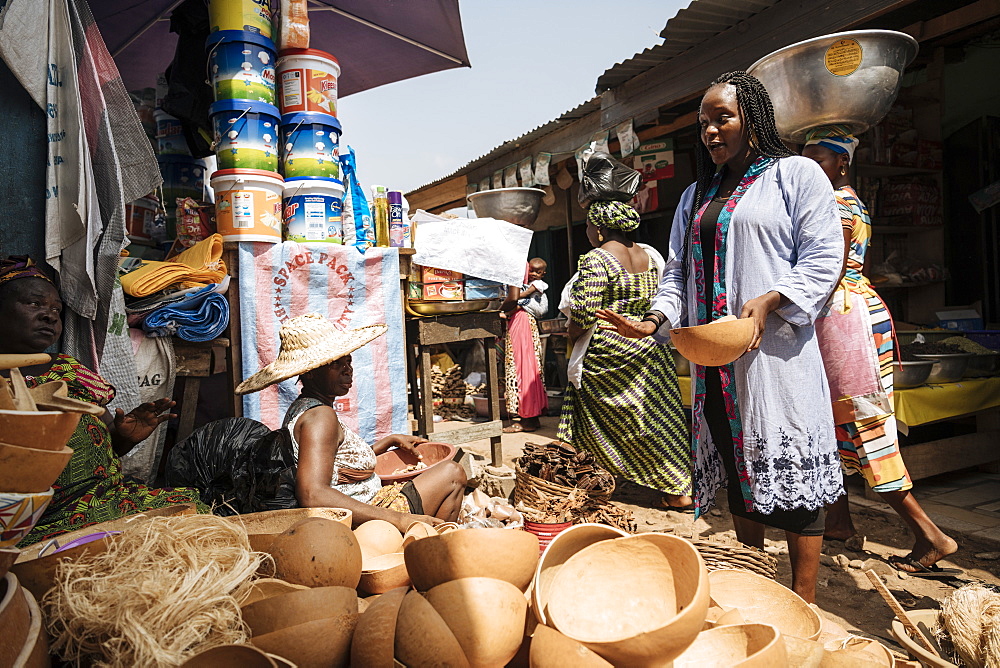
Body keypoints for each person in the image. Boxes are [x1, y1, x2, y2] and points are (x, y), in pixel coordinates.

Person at [598, 71, 845, 603]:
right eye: (704, 122)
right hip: (714, 362)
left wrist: (772, 300)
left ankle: (805, 604)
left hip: (776, 357)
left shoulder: (795, 175)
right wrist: (655, 320)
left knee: (797, 481)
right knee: (737, 471)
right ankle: (754, 589)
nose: (710, 131)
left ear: (753, 118)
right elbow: (678, 274)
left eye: (722, 118)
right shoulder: (694, 195)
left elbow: (825, 256)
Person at [803, 126, 958, 575]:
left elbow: (825, 274)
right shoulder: (853, 201)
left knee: (866, 428)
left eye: (819, 160)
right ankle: (838, 521)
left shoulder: (833, 205)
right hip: (854, 311)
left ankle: (930, 535)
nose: (810, 169)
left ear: (842, 164)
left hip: (843, 320)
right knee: (831, 422)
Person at [0, 257, 205, 547]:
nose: (49, 315)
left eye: (56, 310)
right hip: (43, 521)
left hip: (106, 499)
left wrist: (124, 438)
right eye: (34, 304)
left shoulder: (67, 370)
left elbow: (109, 443)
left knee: (192, 508)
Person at [235, 313, 466, 530]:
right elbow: (312, 493)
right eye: (336, 364)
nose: (348, 370)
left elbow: (331, 462)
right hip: (360, 519)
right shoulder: (320, 417)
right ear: (311, 372)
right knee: (452, 473)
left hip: (362, 506)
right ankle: (427, 549)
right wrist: (401, 519)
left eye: (348, 361)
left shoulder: (305, 407)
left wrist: (386, 443)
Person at [557, 200, 692, 511]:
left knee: (589, 419)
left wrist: (572, 334)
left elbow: (585, 313)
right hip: (647, 345)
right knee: (656, 419)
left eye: (589, 226)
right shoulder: (650, 255)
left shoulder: (597, 259)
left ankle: (591, 480)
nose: (587, 232)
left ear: (601, 230)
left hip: (607, 352)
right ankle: (677, 489)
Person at [501, 260, 549, 433]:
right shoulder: (524, 272)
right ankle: (532, 416)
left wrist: (505, 307)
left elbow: (514, 299)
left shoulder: (519, 267)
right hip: (523, 322)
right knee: (529, 366)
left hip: (521, 323)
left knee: (522, 368)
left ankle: (527, 418)